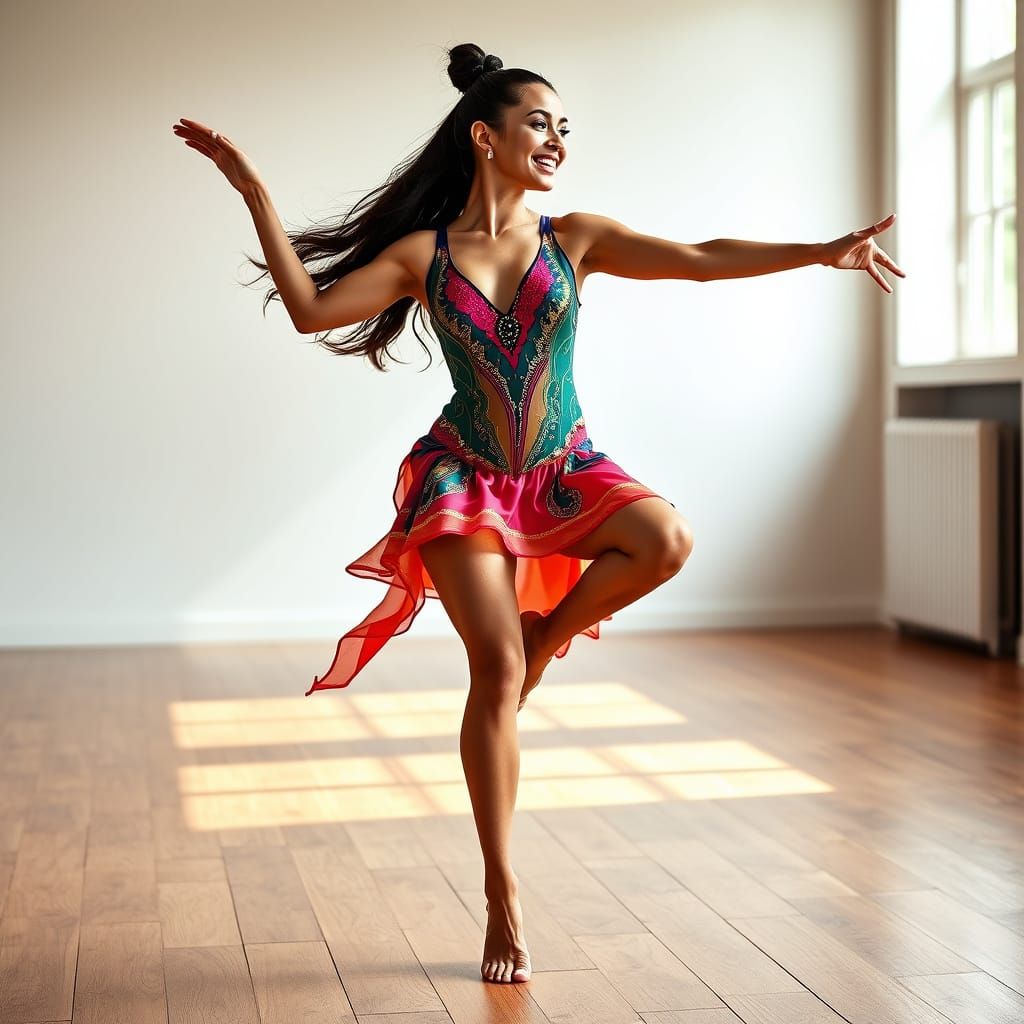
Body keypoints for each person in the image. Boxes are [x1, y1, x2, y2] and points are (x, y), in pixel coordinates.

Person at [171, 41, 904, 986]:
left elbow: (700, 263)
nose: (557, 139)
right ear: (486, 136)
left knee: (665, 539)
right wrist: (252, 191)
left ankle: (549, 638)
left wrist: (821, 252)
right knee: (493, 667)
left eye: (565, 126)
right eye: (539, 123)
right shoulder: (420, 256)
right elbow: (312, 311)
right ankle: (503, 893)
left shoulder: (577, 240)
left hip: (565, 469)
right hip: (466, 477)